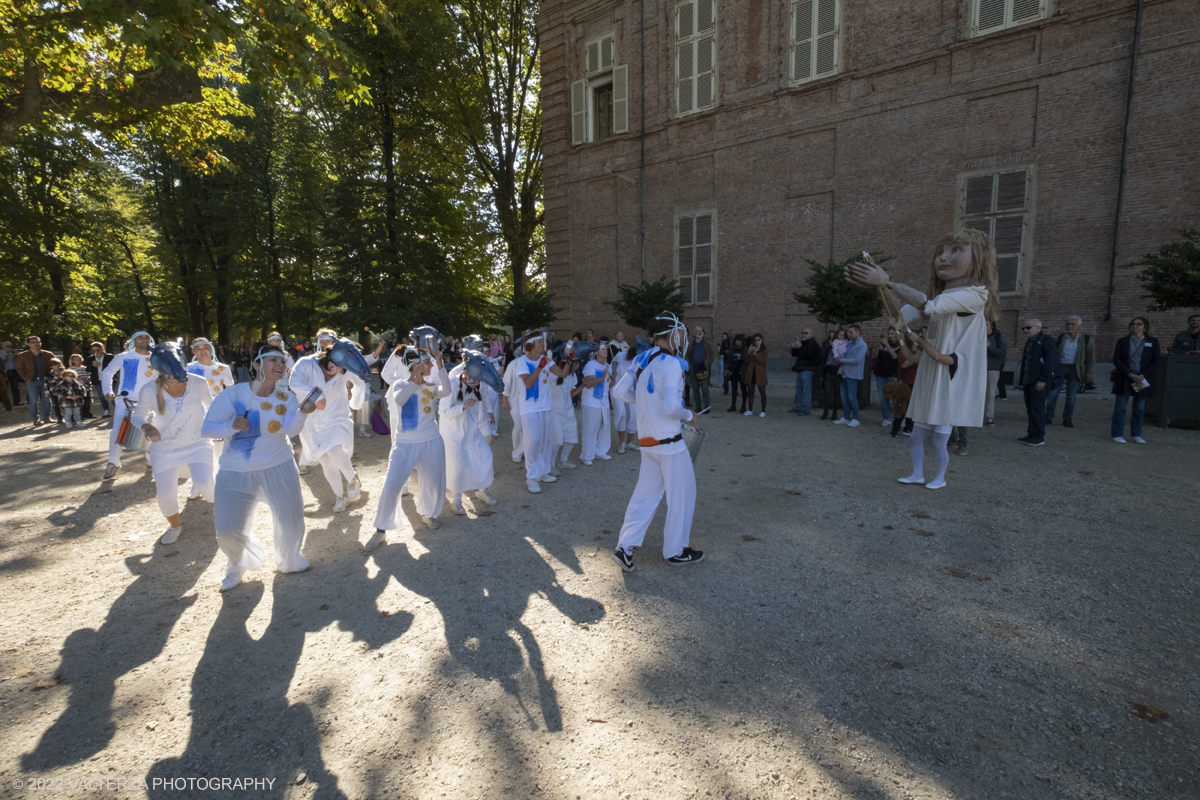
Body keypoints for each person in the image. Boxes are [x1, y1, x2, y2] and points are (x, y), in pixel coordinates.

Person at [848, 230, 997, 489]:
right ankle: (917, 474)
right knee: (916, 435)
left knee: (940, 441)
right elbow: (898, 318)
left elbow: (929, 305)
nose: (943, 258)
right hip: (930, 373)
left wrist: (889, 282)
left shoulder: (976, 295)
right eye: (941, 252)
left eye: (955, 251)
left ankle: (939, 478)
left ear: (979, 258)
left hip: (949, 377)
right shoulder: (939, 299)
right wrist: (881, 287)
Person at [201, 344, 314, 590]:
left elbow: (290, 431)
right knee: (227, 529)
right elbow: (207, 429)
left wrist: (303, 413)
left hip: (279, 465)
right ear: (255, 364)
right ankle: (238, 563)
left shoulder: (286, 397)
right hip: (235, 471)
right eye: (272, 359)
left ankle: (290, 560)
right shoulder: (233, 395)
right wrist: (230, 427)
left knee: (291, 522)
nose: (279, 365)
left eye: (282, 361)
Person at [610, 311, 704, 572]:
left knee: (645, 495)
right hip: (670, 443)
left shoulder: (642, 358)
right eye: (681, 333)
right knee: (682, 495)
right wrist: (689, 414)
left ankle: (625, 547)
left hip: (648, 443)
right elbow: (673, 407)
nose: (684, 337)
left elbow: (618, 392)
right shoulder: (672, 363)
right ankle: (676, 550)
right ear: (673, 334)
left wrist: (644, 399)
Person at [132, 343, 215, 545]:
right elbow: (137, 416)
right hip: (165, 448)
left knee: (205, 482)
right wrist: (146, 427)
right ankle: (175, 526)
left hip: (197, 442)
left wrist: (217, 428)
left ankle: (224, 515)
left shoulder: (199, 383)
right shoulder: (150, 389)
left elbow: (212, 407)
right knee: (166, 492)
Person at [370, 347, 451, 548]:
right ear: (416, 365)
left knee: (433, 482)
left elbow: (447, 391)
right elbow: (399, 400)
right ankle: (381, 530)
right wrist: (414, 382)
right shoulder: (399, 384)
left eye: (432, 363)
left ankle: (429, 514)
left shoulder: (432, 385)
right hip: (405, 444)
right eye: (428, 362)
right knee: (392, 485)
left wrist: (441, 366)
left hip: (431, 440)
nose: (431, 365)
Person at [289, 333, 367, 512]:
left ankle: (353, 479)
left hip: (338, 418)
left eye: (341, 367)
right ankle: (340, 496)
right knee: (326, 461)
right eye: (334, 367)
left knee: (334, 450)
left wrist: (355, 401)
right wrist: (317, 395)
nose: (337, 370)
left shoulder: (344, 366)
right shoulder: (307, 363)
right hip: (314, 422)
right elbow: (294, 382)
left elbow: (360, 381)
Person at [440, 356, 498, 516]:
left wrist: (487, 413)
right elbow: (442, 412)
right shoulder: (451, 385)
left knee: (485, 456)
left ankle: (482, 490)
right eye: (475, 379)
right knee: (458, 466)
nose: (477, 383)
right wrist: (462, 407)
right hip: (453, 433)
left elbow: (481, 400)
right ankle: (456, 501)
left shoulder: (475, 385)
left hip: (471, 430)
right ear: (465, 373)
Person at [100, 331, 159, 479]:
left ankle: (153, 461)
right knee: (117, 430)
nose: (144, 339)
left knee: (153, 428)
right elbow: (108, 372)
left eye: (147, 337)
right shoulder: (124, 357)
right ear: (133, 341)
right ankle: (113, 462)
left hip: (152, 400)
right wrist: (108, 391)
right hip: (126, 400)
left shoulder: (157, 357)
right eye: (140, 337)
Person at [516, 331, 558, 493]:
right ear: (531, 345)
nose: (543, 345)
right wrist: (541, 366)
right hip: (529, 408)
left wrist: (569, 359)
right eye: (539, 342)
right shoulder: (522, 361)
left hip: (545, 407)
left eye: (543, 342)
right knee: (533, 439)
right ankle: (531, 477)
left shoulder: (546, 360)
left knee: (546, 441)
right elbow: (528, 383)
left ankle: (543, 472)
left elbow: (562, 373)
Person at [1111, 317, 1160, 444]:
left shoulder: (1152, 341)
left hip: (1142, 378)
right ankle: (1117, 434)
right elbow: (1117, 360)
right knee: (1120, 407)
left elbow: (1156, 361)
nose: (1135, 326)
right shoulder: (1123, 341)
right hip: (1125, 377)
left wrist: (1142, 375)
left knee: (1139, 407)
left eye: (1139, 324)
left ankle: (1136, 434)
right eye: (1133, 324)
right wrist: (1130, 374)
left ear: (1145, 327)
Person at [1046, 316, 1094, 428]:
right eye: (1068, 324)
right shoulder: (1061, 338)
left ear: (1079, 326)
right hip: (1060, 368)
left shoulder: (1086, 339)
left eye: (1073, 324)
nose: (1070, 326)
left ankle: (1067, 419)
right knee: (1053, 394)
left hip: (1075, 369)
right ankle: (1048, 417)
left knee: (1071, 396)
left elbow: (1090, 358)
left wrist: (1088, 374)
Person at [1015, 319, 1057, 447]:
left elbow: (1051, 361)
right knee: (1030, 408)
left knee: (1037, 408)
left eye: (1028, 328)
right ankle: (1032, 433)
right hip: (1029, 381)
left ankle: (1039, 436)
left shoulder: (1046, 340)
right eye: (1023, 328)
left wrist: (1043, 379)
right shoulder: (1030, 342)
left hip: (1039, 381)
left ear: (1038, 328)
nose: (1025, 331)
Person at [579, 342, 613, 465]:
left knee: (603, 428)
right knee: (590, 429)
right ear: (596, 352)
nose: (606, 351)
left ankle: (600, 451)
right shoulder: (590, 365)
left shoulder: (608, 365)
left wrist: (613, 378)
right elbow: (588, 383)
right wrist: (602, 377)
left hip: (604, 402)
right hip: (591, 402)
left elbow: (609, 385)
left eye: (606, 349)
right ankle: (587, 456)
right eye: (603, 349)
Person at [550, 347, 582, 468]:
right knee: (556, 440)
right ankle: (551, 465)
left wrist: (583, 385)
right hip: (555, 411)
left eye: (578, 364)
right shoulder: (553, 375)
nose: (577, 366)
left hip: (568, 410)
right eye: (575, 363)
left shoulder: (573, 376)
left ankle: (563, 461)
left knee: (571, 437)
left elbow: (571, 394)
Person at [834, 324, 868, 427]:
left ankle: (856, 418)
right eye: (848, 332)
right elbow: (845, 354)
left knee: (852, 397)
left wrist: (842, 360)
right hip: (844, 373)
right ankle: (846, 417)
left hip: (853, 374)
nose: (849, 334)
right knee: (844, 397)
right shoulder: (849, 343)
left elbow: (857, 360)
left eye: (851, 332)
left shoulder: (862, 345)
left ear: (858, 332)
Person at [16, 335, 54, 426]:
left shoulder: (48, 354)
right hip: (32, 380)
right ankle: (35, 418)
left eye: (37, 342)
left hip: (45, 380)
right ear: (28, 344)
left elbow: (56, 365)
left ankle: (47, 417)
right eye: (33, 342)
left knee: (47, 400)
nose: (36, 344)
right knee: (33, 401)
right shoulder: (23, 355)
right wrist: (26, 379)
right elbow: (19, 369)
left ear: (40, 343)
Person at [501, 344, 527, 463]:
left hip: (530, 402)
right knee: (519, 426)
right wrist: (505, 400)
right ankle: (517, 451)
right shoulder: (513, 364)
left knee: (528, 427)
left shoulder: (536, 363)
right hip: (515, 402)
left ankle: (527, 450)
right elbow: (506, 383)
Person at [612, 344, 639, 453]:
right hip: (618, 388)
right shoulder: (621, 355)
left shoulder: (641, 361)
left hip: (633, 390)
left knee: (635, 415)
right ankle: (622, 442)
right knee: (621, 414)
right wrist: (613, 372)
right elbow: (614, 362)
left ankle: (629, 443)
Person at [789, 329, 821, 415]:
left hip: (807, 369)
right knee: (798, 389)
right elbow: (794, 355)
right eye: (803, 333)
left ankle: (806, 409)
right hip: (800, 368)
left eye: (806, 333)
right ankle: (797, 407)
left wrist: (800, 347)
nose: (804, 334)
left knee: (806, 390)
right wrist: (794, 348)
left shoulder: (813, 344)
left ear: (811, 334)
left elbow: (810, 355)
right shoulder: (802, 343)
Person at [872, 329, 900, 425]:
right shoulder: (882, 345)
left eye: (893, 334)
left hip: (893, 374)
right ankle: (886, 418)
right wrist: (877, 346)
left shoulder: (900, 345)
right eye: (889, 334)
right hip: (881, 374)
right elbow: (875, 356)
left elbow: (895, 357)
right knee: (883, 397)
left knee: (896, 398)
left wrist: (888, 346)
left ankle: (900, 418)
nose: (890, 335)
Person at [686, 326, 714, 415]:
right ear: (694, 333)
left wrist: (707, 364)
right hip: (693, 368)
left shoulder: (707, 342)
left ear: (703, 332)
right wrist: (688, 364)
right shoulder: (691, 343)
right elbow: (687, 354)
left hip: (703, 368)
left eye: (700, 331)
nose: (699, 332)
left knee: (705, 388)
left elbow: (712, 355)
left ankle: (707, 406)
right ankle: (698, 406)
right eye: (697, 331)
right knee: (695, 388)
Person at [984, 320, 1006, 426]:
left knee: (990, 393)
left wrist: (990, 347)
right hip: (978, 368)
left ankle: (989, 417)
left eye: (986, 324)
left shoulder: (997, 336)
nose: (984, 326)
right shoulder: (976, 335)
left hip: (991, 368)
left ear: (991, 325)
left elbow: (1002, 353)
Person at [819, 329, 845, 421]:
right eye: (839, 334)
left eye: (842, 335)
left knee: (837, 393)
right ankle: (825, 412)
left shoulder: (846, 345)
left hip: (838, 371)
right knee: (827, 392)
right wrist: (822, 373)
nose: (840, 336)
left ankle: (835, 413)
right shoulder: (830, 345)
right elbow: (823, 358)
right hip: (829, 370)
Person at [742, 333, 769, 416]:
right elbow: (746, 361)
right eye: (755, 340)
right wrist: (749, 352)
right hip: (751, 372)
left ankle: (763, 410)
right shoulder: (751, 348)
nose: (757, 342)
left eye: (759, 340)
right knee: (750, 391)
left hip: (760, 373)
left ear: (761, 341)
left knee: (762, 391)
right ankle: (750, 409)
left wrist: (756, 355)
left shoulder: (764, 350)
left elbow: (763, 363)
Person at [725, 333, 746, 412]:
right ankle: (733, 405)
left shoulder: (745, 349)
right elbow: (729, 360)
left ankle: (743, 406)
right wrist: (728, 369)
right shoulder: (733, 349)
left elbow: (747, 360)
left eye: (739, 340)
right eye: (736, 340)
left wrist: (741, 358)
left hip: (742, 372)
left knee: (743, 389)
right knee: (734, 389)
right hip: (734, 372)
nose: (737, 341)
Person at [2, 341, 21, 407]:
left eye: (10, 346)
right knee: (4, 388)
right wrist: (5, 355)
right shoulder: (1, 353)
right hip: (4, 372)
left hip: (13, 371)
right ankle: (6, 404)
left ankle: (17, 402)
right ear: (3, 346)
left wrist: (16, 356)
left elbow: (20, 359)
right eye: (7, 346)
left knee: (15, 387)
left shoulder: (13, 352)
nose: (9, 348)